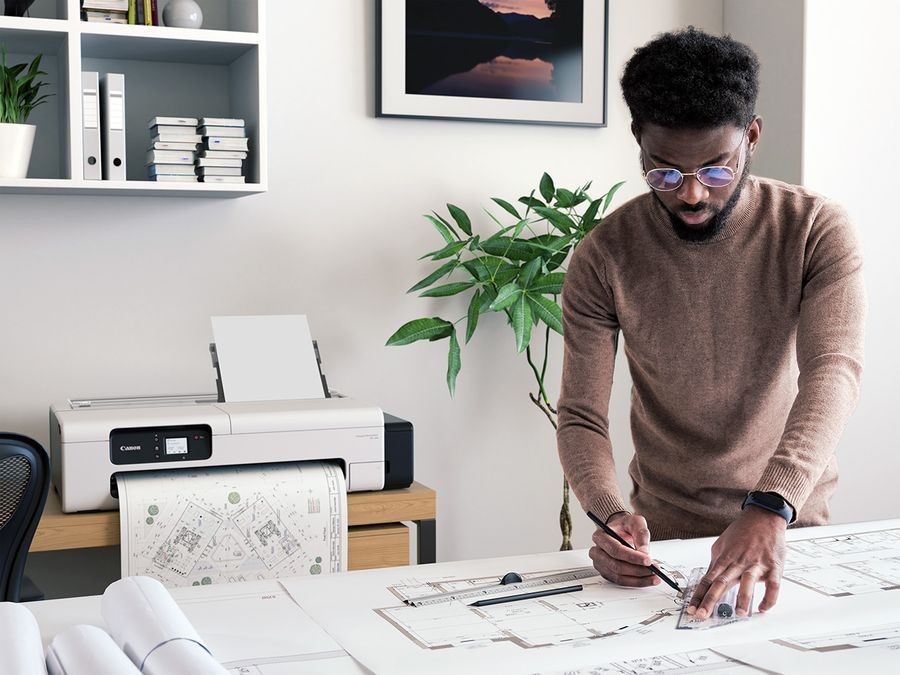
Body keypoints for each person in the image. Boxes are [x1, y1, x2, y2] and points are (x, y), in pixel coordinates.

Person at [556, 27, 866, 621]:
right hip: (665, 542)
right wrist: (608, 515)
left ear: (751, 136)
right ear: (638, 143)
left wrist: (771, 505)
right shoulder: (604, 254)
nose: (692, 194)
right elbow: (580, 414)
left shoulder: (814, 229)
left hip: (791, 523)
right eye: (665, 173)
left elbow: (834, 372)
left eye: (716, 170)